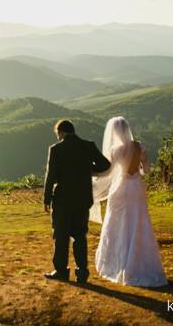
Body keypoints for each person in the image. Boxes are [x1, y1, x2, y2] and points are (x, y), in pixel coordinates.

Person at [91, 116, 168, 287]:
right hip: (136, 188)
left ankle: (118, 262)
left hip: (120, 188)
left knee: (117, 224)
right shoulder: (139, 146)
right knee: (138, 223)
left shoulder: (115, 149)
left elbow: (107, 172)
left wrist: (91, 176)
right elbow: (146, 171)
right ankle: (137, 263)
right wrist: (141, 165)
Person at [43, 119, 111, 283]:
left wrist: (46, 199)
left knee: (60, 236)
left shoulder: (56, 149)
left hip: (62, 199)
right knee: (80, 236)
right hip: (82, 198)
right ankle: (82, 272)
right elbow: (105, 164)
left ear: (61, 132)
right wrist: (88, 170)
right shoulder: (88, 146)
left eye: (57, 134)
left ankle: (61, 271)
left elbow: (50, 176)